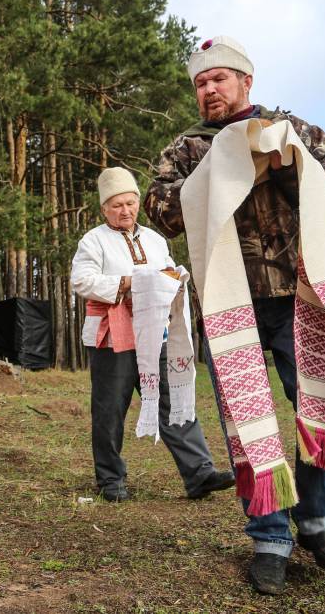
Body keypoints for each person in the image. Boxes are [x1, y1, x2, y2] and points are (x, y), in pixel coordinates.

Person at [144, 36, 325, 595]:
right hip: (230, 305)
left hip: (302, 299)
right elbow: (163, 211)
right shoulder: (187, 149)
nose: (209, 90)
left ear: (245, 82)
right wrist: (219, 175)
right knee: (249, 425)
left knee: (318, 407)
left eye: (219, 79)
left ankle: (319, 524)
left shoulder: (292, 129)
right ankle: (269, 537)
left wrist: (280, 167)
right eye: (201, 83)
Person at [71, 166, 234, 503]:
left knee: (172, 399)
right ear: (104, 209)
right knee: (110, 409)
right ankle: (111, 480)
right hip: (113, 338)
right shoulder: (94, 240)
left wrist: (173, 279)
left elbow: (168, 273)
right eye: (116, 205)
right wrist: (127, 283)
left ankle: (199, 473)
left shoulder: (156, 240)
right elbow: (81, 281)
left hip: (155, 334)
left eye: (130, 203)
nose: (125, 210)